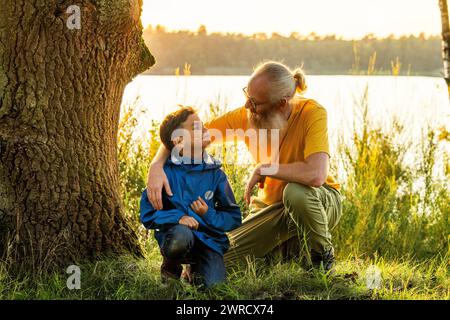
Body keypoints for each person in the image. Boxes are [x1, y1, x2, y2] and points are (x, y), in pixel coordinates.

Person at [146, 61, 342, 272]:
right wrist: (156, 166)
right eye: (246, 96)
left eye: (255, 102)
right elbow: (186, 137)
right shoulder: (246, 116)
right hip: (267, 213)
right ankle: (287, 252)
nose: (248, 106)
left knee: (295, 193)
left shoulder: (312, 113)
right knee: (212, 267)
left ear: (281, 104)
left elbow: (316, 174)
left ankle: (322, 259)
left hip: (316, 202)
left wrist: (264, 168)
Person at [140, 106, 242, 288]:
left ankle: (195, 271)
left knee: (214, 289)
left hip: (209, 243)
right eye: (195, 127)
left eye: (202, 125)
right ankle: (171, 269)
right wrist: (178, 218)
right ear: (178, 140)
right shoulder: (164, 174)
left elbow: (233, 217)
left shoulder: (216, 174)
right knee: (181, 236)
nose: (204, 129)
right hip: (179, 237)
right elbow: (147, 215)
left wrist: (207, 214)